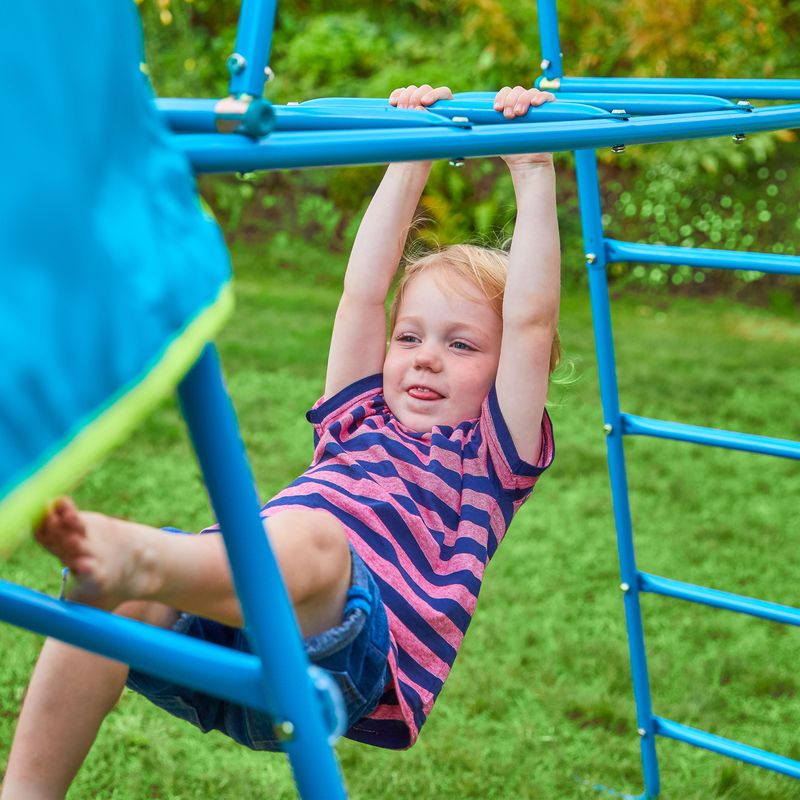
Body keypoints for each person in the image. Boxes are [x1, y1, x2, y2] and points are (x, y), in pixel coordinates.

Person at [1, 83, 560, 798]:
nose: (425, 357)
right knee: (102, 610)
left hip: (346, 654)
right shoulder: (359, 416)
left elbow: (534, 321)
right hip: (231, 631)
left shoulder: (488, 458)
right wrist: (408, 158)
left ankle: (145, 556)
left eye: (461, 346)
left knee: (320, 541)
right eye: (411, 336)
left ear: (508, 364)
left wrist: (535, 170)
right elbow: (363, 293)